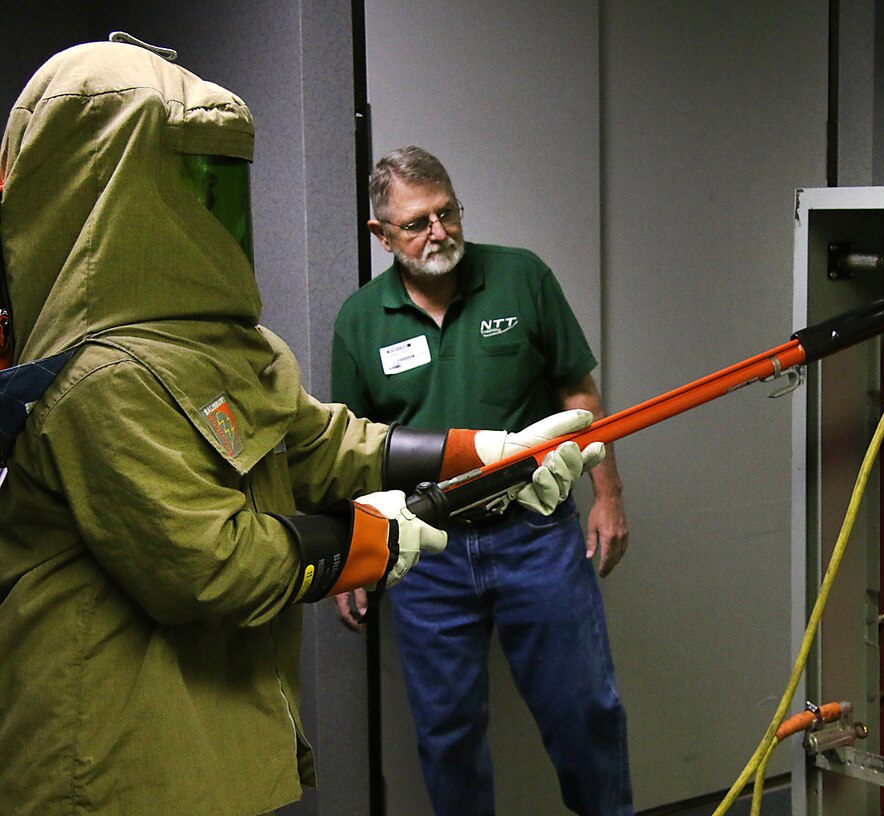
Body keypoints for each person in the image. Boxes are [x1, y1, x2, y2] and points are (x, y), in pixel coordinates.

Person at [0, 42, 601, 816]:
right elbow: (210, 565)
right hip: (111, 761)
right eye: (188, 182)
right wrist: (375, 537)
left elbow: (322, 445)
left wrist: (483, 452)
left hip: (215, 734)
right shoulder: (97, 381)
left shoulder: (232, 347)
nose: (210, 215)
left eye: (219, 182)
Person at [332, 146, 633, 815]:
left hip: (535, 538)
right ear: (382, 236)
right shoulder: (359, 321)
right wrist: (354, 555)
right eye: (417, 223)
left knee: (585, 712)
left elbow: (578, 396)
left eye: (447, 212)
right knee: (448, 735)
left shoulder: (520, 276)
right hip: (427, 553)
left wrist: (607, 496)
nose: (438, 232)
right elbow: (349, 450)